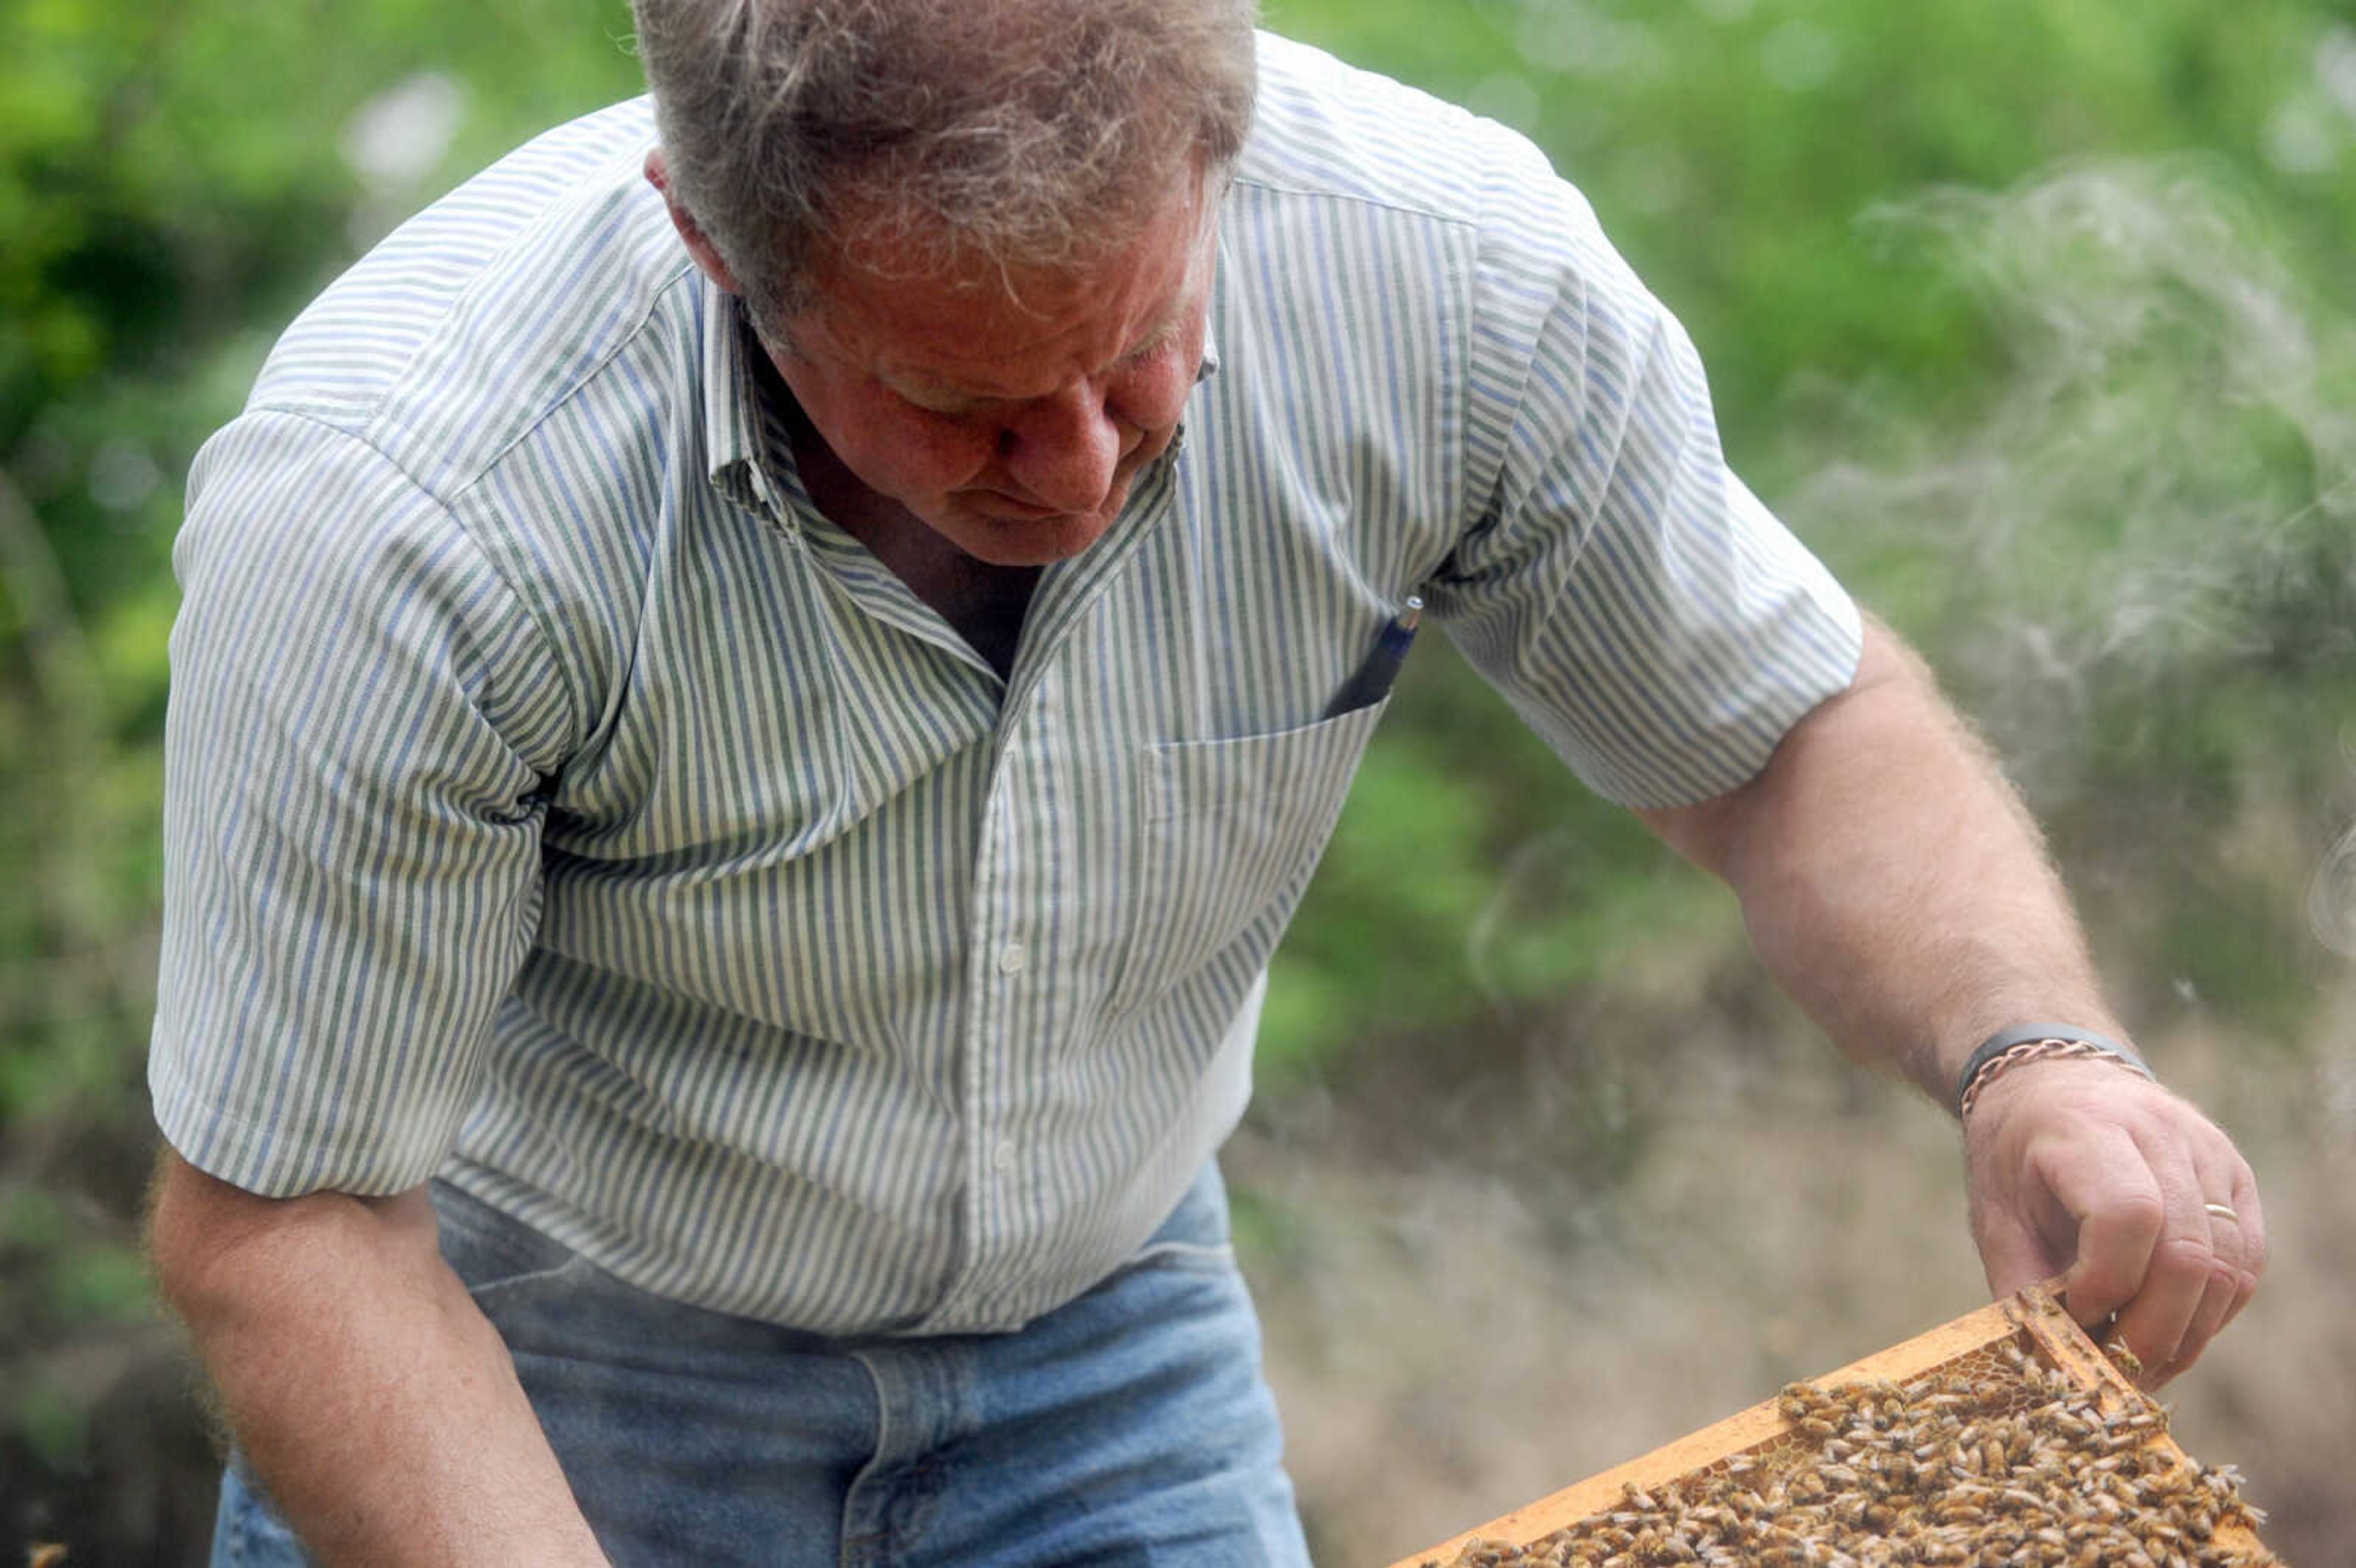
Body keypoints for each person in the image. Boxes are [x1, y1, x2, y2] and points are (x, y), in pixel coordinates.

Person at [144, 2, 2266, 1563]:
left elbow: (1779, 733)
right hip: (538, 1376)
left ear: (1219, 151)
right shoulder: (409, 501)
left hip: (1105, 1362)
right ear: (717, 246)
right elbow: (291, 1220)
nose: (1072, 465)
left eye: (1140, 345)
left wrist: (2036, 1053)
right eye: (960, 398)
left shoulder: (1447, 279)